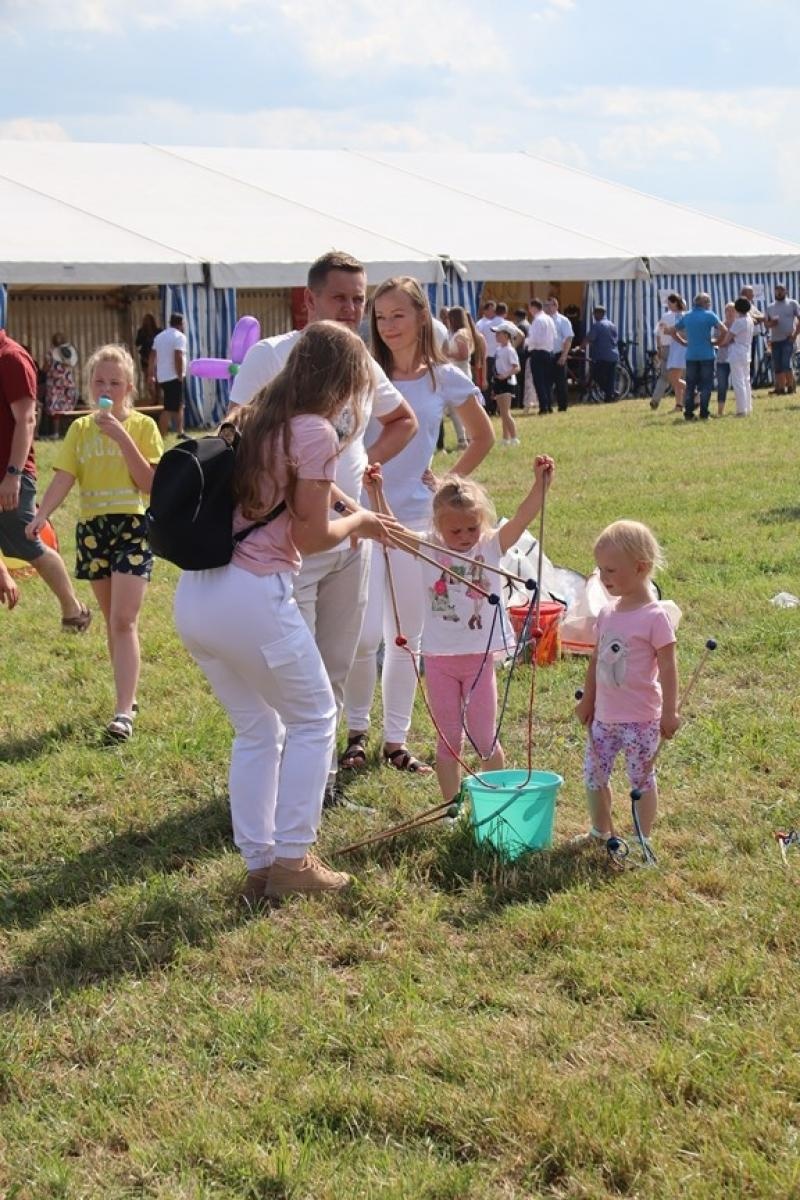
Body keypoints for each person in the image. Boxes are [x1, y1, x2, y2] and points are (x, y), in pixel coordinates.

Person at [174, 322, 399, 902]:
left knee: (257, 727)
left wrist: (342, 498)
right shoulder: (315, 430)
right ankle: (294, 861)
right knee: (316, 718)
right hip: (253, 596)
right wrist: (365, 524)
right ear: (344, 381)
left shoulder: (253, 415)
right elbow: (315, 533)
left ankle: (261, 864)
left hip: (197, 597)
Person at [227, 250, 417, 808]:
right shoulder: (272, 356)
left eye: (360, 299)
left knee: (336, 662)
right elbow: (232, 434)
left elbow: (402, 419)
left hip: (349, 538)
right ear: (307, 299)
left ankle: (321, 784)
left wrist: (349, 467)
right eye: (340, 297)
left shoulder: (360, 359)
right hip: (289, 545)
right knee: (294, 671)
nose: (353, 309)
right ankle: (279, 785)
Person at [342, 276, 495, 775]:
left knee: (406, 635)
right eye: (380, 317)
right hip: (358, 516)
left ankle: (396, 739)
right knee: (363, 636)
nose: (387, 326)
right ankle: (355, 733)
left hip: (414, 522)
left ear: (420, 316)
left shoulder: (444, 378)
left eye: (397, 315)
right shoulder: (361, 372)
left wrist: (448, 484)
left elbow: (482, 436)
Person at [26, 345, 163, 740]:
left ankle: (123, 714)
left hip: (132, 527)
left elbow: (150, 484)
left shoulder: (142, 427)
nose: (107, 388)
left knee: (124, 619)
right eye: (100, 381)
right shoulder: (80, 430)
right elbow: (64, 477)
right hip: (92, 530)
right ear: (89, 386)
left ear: (130, 387)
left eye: (115, 382)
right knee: (112, 622)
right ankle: (128, 695)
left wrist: (122, 437)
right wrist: (41, 514)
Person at [418, 458, 554, 803]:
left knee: (483, 737)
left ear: (482, 524)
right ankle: (452, 808)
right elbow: (388, 530)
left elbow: (524, 515)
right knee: (448, 739)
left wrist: (540, 483)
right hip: (439, 659)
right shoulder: (428, 546)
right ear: (438, 526)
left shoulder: (490, 546)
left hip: (479, 657)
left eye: (471, 529)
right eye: (455, 531)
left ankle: (495, 802)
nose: (464, 538)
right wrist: (375, 494)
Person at [574, 521, 679, 855]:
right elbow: (596, 661)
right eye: (600, 569)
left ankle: (641, 837)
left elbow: (668, 667)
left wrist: (670, 711)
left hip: (641, 719)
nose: (603, 577)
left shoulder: (655, 617)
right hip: (604, 717)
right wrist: (588, 700)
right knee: (594, 774)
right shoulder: (607, 613)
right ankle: (600, 830)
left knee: (642, 779)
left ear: (640, 567)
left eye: (610, 570)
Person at [0, 327, 90, 632]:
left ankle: (74, 610)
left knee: (28, 543)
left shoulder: (11, 358)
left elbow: (26, 419)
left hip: (9, 473)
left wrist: (13, 475)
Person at [670, 293, 726, 421]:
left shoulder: (687, 316)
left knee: (690, 385)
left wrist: (683, 342)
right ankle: (704, 413)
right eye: (709, 302)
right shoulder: (710, 315)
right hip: (706, 354)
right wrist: (717, 342)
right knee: (706, 385)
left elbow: (672, 331)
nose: (709, 305)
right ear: (705, 303)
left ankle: (688, 413)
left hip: (691, 355)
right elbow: (724, 330)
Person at [150, 313, 187, 437]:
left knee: (179, 404)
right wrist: (180, 374)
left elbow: (152, 356)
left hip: (162, 376)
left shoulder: (159, 337)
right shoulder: (179, 337)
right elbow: (178, 356)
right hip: (173, 376)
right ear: (181, 323)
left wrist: (152, 374)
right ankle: (162, 433)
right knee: (169, 408)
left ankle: (180, 431)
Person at [650, 293, 684, 411]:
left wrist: (659, 348)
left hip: (667, 347)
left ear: (675, 303)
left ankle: (656, 400)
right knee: (678, 376)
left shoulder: (666, 316)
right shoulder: (684, 316)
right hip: (680, 348)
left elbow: (658, 333)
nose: (668, 305)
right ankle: (680, 403)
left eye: (669, 302)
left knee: (665, 376)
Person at [765, 282, 799, 396]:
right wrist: (771, 323)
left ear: (786, 291)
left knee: (786, 364)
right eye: (777, 290)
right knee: (778, 365)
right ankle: (780, 389)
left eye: (781, 290)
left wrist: (795, 335)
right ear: (774, 292)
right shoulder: (770, 306)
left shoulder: (792, 303)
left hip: (787, 339)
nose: (779, 292)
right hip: (775, 340)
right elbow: (766, 324)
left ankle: (791, 387)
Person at [42, 334, 79, 439]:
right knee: (66, 408)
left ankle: (56, 432)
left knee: (55, 409)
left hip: (54, 384)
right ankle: (66, 432)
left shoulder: (50, 353)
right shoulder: (69, 353)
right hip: (67, 383)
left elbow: (45, 368)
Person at [524, 299, 556, 414]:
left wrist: (526, 341)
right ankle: (549, 405)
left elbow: (535, 339)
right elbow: (554, 336)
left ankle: (543, 406)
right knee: (547, 381)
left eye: (530, 308)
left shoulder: (537, 320)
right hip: (549, 351)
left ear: (533, 307)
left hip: (538, 352)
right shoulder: (549, 319)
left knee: (539, 381)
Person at [584, 306, 619, 403]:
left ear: (599, 314)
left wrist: (580, 347)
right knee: (610, 378)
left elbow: (589, 338)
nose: (594, 316)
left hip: (602, 355)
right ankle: (610, 397)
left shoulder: (597, 325)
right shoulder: (612, 325)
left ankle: (611, 392)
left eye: (594, 314)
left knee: (596, 375)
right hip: (613, 355)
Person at [491, 325, 520, 445]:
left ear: (507, 335)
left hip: (507, 382)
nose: (496, 335)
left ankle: (514, 437)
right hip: (498, 381)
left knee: (506, 412)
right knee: (502, 412)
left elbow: (517, 367)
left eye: (499, 333)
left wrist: (506, 375)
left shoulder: (510, 350)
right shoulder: (498, 350)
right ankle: (505, 438)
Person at [544, 297, 574, 412]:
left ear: (556, 306)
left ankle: (562, 406)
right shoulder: (544, 320)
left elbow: (568, 338)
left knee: (560, 382)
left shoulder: (563, 320)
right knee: (547, 382)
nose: (547, 308)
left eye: (550, 305)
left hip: (558, 354)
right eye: (545, 305)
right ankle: (548, 406)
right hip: (546, 354)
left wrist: (564, 355)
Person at [728, 297, 755, 417]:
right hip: (746, 351)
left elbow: (728, 337)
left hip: (737, 351)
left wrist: (716, 342)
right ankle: (748, 407)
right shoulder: (749, 319)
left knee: (738, 382)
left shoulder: (738, 322)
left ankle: (741, 409)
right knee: (746, 380)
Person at [476, 301, 502, 413]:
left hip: (498, 355)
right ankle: (488, 406)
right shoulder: (481, 324)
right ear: (485, 311)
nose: (493, 312)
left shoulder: (494, 322)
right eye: (491, 310)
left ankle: (496, 406)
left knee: (498, 382)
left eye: (494, 310)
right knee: (488, 383)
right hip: (488, 357)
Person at [715, 302, 736, 417]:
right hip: (722, 359)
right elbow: (719, 342)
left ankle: (741, 407)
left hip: (735, 359)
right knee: (722, 385)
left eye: (732, 310)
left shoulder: (739, 325)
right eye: (727, 310)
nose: (730, 313)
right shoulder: (720, 325)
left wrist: (725, 340)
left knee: (739, 384)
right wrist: (726, 340)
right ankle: (720, 410)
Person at [135, 313, 161, 402]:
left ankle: (157, 396)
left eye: (149, 320)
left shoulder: (158, 331)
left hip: (157, 358)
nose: (147, 322)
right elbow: (137, 343)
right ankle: (153, 397)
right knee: (148, 379)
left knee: (158, 379)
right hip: (145, 358)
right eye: (146, 321)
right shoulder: (141, 332)